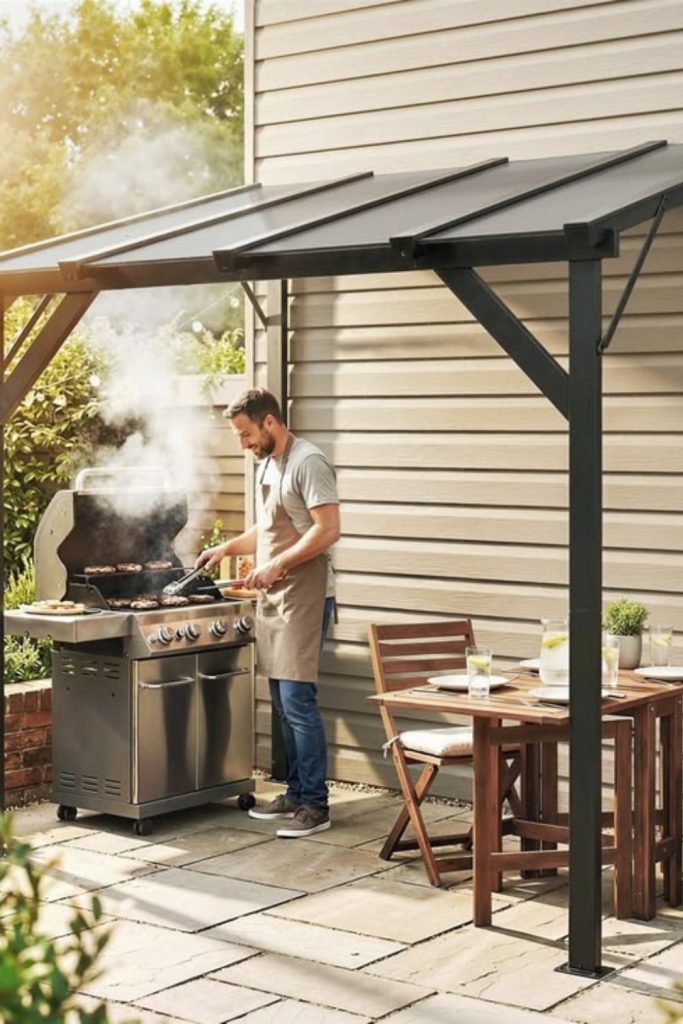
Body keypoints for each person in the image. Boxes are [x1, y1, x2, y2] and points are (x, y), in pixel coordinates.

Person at [196, 388, 340, 837]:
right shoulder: (270, 464)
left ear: (270, 422)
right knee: (281, 701)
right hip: (277, 594)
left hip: (305, 594)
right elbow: (269, 527)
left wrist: (276, 564)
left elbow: (328, 529)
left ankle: (316, 805)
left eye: (245, 433)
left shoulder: (308, 462)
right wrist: (227, 547)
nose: (242, 442)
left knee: (299, 701)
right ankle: (296, 793)